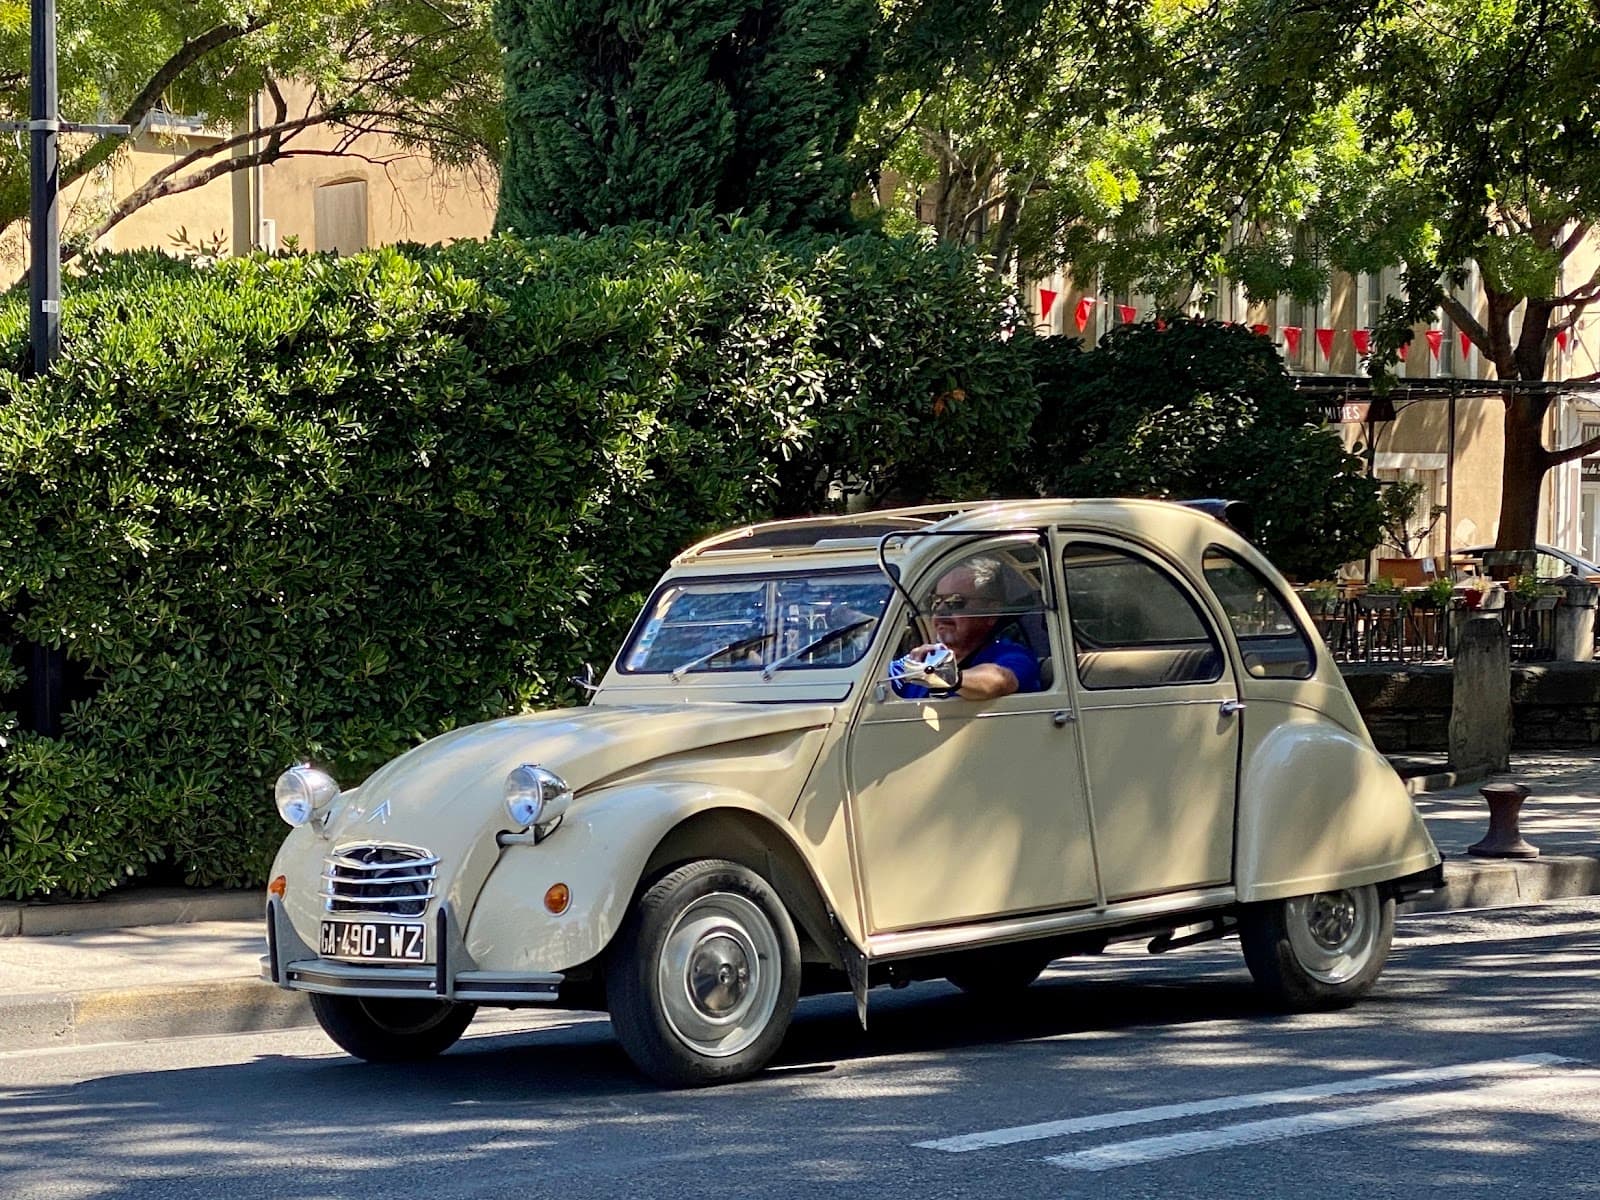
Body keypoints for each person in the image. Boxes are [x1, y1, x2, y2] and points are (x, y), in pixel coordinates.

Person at [892, 556, 1042, 700]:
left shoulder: (1013, 656)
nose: (941, 610)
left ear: (991, 612)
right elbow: (876, 679)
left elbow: (1000, 680)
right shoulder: (925, 658)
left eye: (955, 601)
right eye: (936, 601)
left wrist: (948, 676)